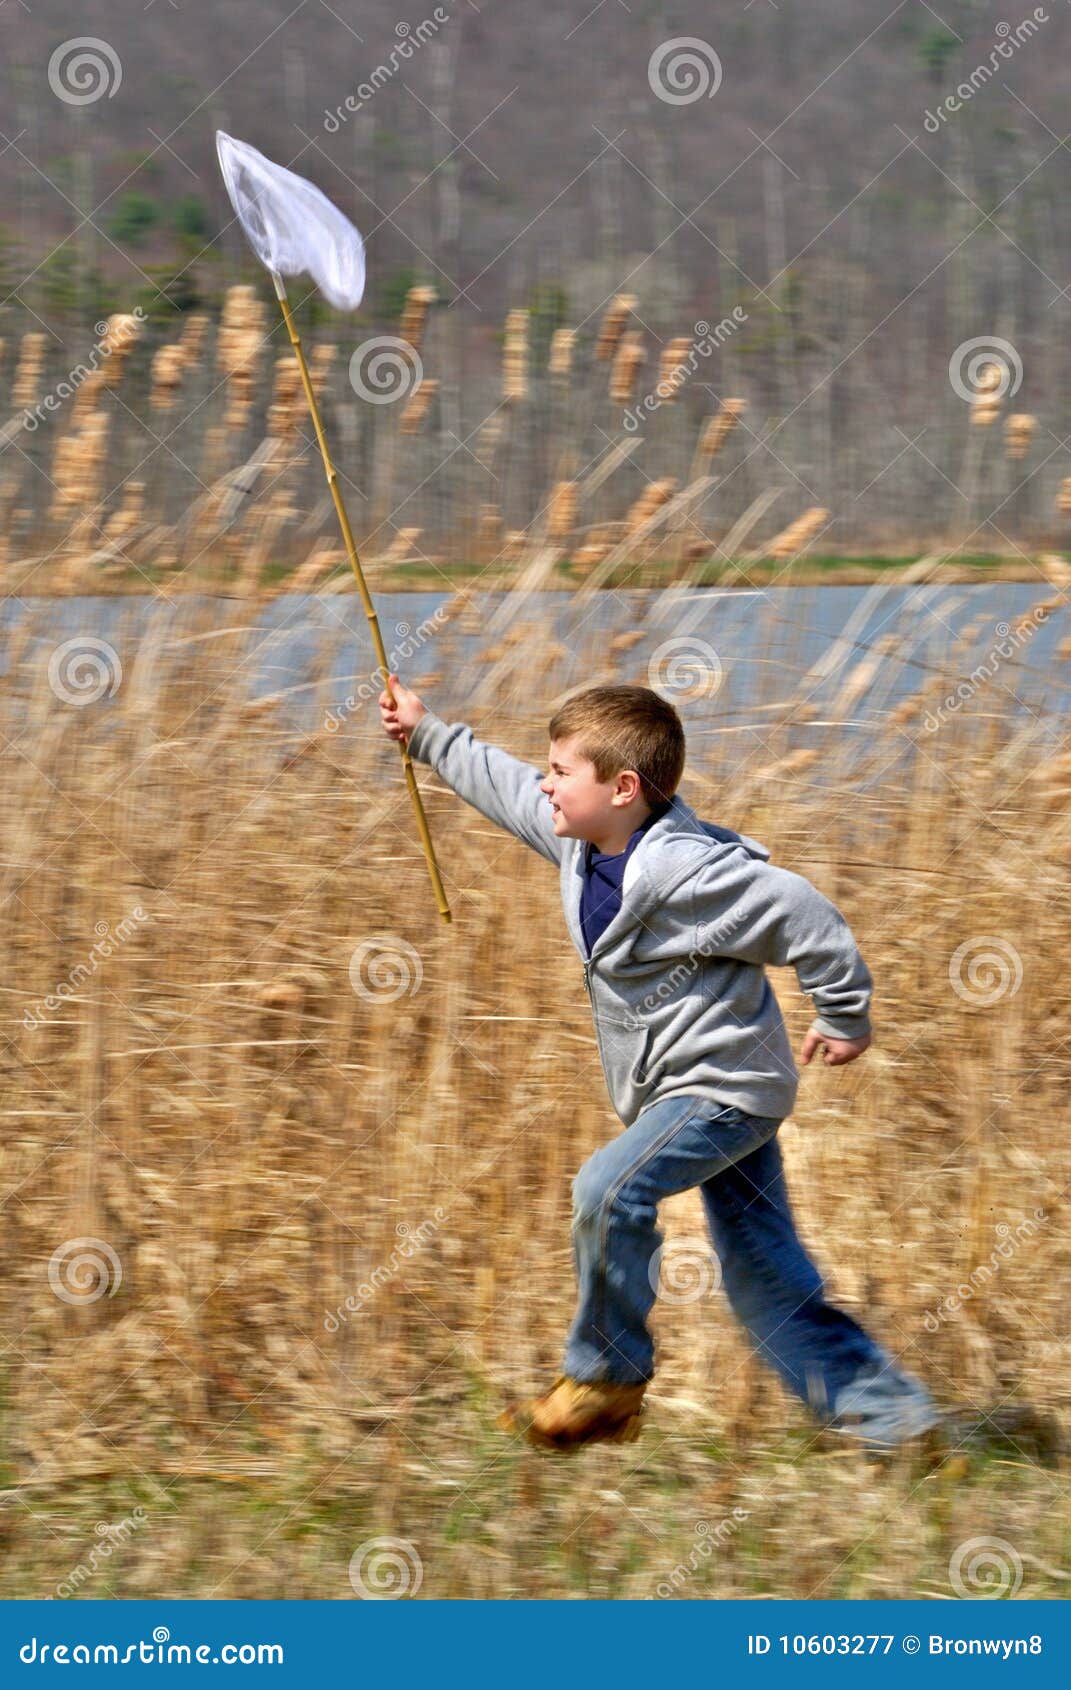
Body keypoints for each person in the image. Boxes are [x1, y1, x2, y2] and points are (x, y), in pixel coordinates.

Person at [378, 673, 939, 1456]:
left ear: (623, 788)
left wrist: (844, 1016)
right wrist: (428, 733)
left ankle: (606, 1379)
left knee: (608, 1188)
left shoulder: (688, 873)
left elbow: (804, 912)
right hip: (683, 1094)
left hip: (722, 1092)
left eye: (562, 772)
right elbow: (508, 789)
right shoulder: (585, 846)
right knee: (765, 1279)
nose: (545, 783)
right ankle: (898, 1427)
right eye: (549, 768)